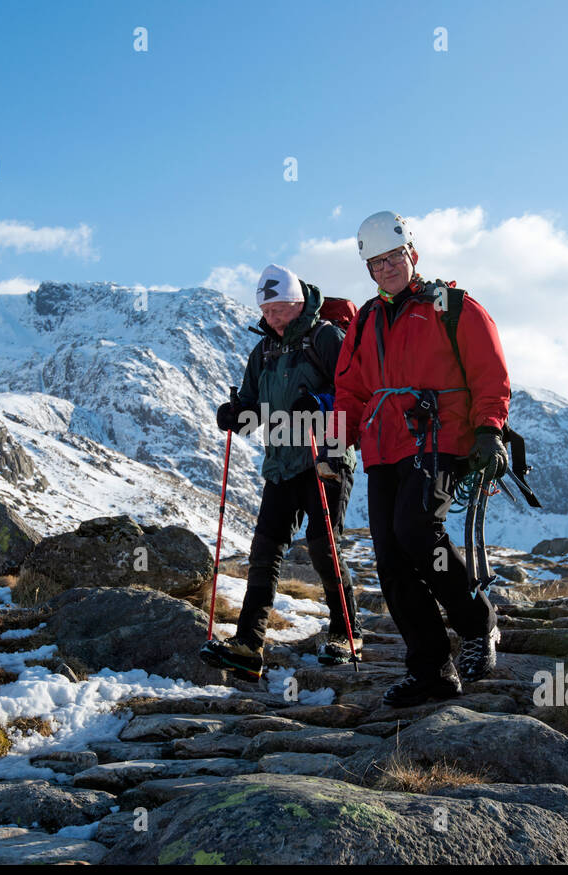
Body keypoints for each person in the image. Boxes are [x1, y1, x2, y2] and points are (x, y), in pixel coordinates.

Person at [334, 211, 511, 707]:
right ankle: (432, 670)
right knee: (390, 557)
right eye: (377, 262)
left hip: (442, 437)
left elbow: (490, 373)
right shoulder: (366, 319)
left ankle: (477, 623)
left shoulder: (451, 306)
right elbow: (349, 389)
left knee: (415, 530)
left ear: (412, 254)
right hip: (382, 445)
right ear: (368, 268)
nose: (386, 267)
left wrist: (489, 430)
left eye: (394, 257)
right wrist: (335, 441)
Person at [199, 264, 360, 679]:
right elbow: (254, 412)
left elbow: (355, 390)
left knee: (323, 546)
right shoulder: (263, 352)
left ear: (298, 302)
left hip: (327, 455)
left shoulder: (326, 337)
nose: (270, 317)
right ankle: (249, 644)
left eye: (278, 309)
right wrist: (236, 416)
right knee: (264, 553)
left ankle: (346, 634)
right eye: (266, 310)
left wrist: (322, 404)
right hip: (281, 463)